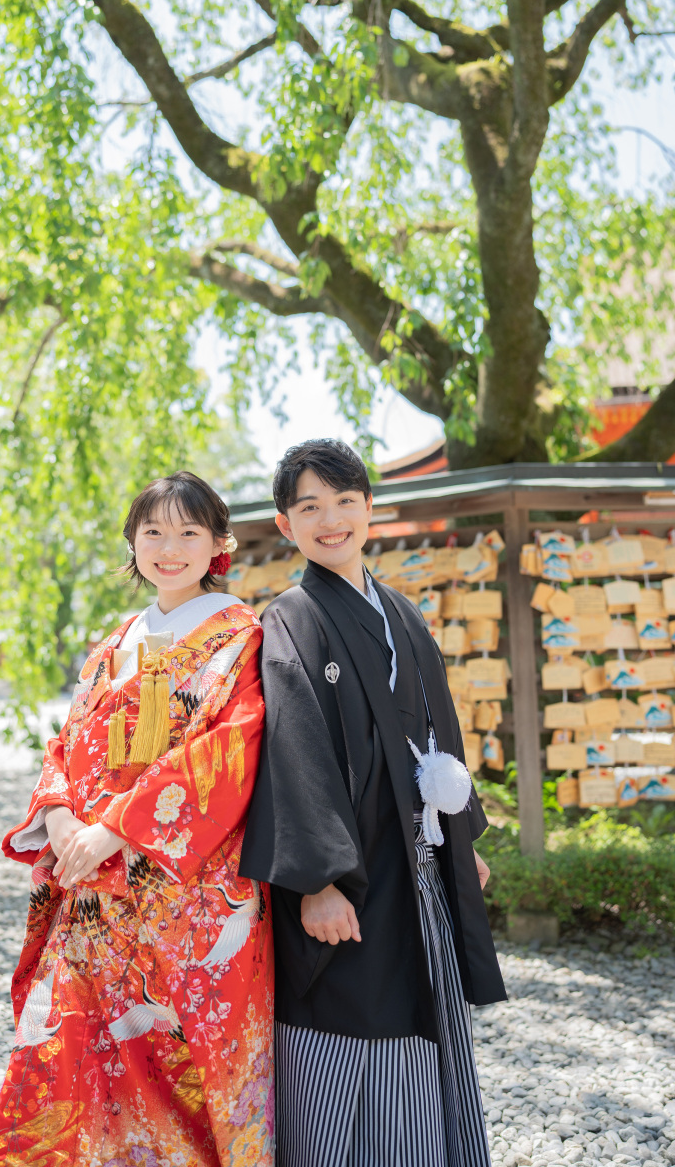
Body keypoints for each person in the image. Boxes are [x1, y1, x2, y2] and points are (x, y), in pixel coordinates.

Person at [0, 472, 274, 1167]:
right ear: (133, 544)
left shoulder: (241, 637)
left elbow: (230, 749)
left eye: (188, 533)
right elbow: (68, 740)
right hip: (91, 883)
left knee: (180, 1063)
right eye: (153, 533)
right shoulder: (117, 640)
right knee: (62, 1049)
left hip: (185, 892)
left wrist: (116, 829)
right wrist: (58, 818)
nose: (169, 549)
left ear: (219, 544)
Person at [240, 440, 506, 1167]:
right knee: (343, 1020)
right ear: (286, 524)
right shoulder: (291, 618)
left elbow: (439, 734)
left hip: (416, 862)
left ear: (368, 510)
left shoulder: (404, 615)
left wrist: (461, 842)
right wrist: (317, 881)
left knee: (419, 1013)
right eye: (310, 507)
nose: (331, 520)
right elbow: (293, 747)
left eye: (345, 502)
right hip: (349, 876)